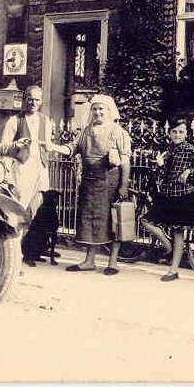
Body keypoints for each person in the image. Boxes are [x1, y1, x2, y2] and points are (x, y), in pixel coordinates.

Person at [59, 94, 132, 276]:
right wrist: (53, 147)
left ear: (109, 111)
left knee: (114, 222)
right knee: (90, 222)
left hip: (110, 184)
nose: (98, 112)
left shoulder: (117, 132)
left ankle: (113, 262)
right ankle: (89, 260)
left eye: (102, 109)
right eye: (95, 109)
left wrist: (123, 185)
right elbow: (71, 148)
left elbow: (125, 162)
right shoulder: (85, 131)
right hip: (89, 184)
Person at [0, 85, 66, 266]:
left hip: (41, 168)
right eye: (30, 98)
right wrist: (16, 149)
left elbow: (47, 144)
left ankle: (31, 250)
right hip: (22, 167)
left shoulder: (46, 120)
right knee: (19, 207)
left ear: (41, 101)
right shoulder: (14, 120)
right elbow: (5, 146)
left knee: (38, 210)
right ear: (24, 99)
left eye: (37, 99)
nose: (33, 102)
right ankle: (14, 254)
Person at [143, 118, 194, 281]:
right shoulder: (169, 149)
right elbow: (165, 174)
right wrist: (159, 164)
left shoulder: (190, 149)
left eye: (181, 132)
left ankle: (173, 270)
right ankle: (169, 247)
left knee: (178, 231)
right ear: (169, 133)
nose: (177, 134)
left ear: (186, 134)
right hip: (167, 194)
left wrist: (190, 171)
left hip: (184, 195)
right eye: (174, 131)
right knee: (146, 220)